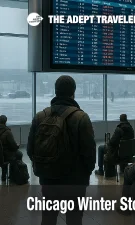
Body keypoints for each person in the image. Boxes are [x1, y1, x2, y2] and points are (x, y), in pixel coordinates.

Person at [27, 75, 96, 225]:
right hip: (75, 181)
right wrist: (84, 175)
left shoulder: (40, 116)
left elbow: (30, 150)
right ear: (73, 92)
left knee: (48, 218)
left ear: (56, 91)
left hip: (48, 179)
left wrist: (46, 166)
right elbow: (89, 154)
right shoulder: (81, 117)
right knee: (74, 220)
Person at [0, 115, 23, 181]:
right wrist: (17, 146)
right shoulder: (7, 132)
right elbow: (13, 145)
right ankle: (13, 175)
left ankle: (4, 176)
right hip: (6, 154)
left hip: (1, 155)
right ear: (5, 122)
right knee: (19, 154)